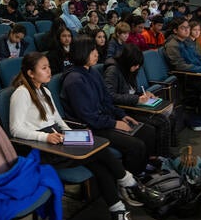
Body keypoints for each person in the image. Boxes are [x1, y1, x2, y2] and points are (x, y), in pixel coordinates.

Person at [9, 52, 161, 220]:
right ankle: (132, 185)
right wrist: (44, 138)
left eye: (49, 66)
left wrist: (72, 135)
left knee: (100, 164)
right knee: (101, 153)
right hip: (44, 148)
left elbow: (59, 121)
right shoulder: (21, 93)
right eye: (44, 68)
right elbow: (15, 130)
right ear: (31, 73)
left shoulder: (45, 91)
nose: (49, 71)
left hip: (60, 138)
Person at [60, 36, 157, 176]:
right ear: (81, 52)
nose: (96, 53)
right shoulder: (74, 80)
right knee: (136, 145)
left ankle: (141, 168)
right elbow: (88, 117)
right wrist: (114, 123)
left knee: (147, 131)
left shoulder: (91, 71)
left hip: (103, 119)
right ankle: (132, 182)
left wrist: (122, 115)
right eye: (92, 50)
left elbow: (106, 100)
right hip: (91, 128)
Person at [102, 43, 171, 157]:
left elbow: (131, 90)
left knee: (168, 116)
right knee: (162, 122)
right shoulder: (112, 71)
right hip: (124, 109)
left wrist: (144, 94)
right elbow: (110, 95)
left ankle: (165, 155)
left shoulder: (129, 70)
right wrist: (136, 99)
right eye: (135, 65)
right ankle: (160, 157)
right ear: (127, 62)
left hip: (133, 104)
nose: (137, 68)